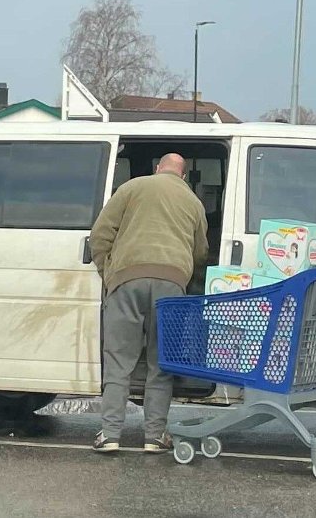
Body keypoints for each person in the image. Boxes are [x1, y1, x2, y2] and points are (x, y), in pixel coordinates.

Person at [89, 153, 208, 453]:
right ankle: (155, 437)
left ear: (158, 169)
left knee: (118, 361)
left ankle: (110, 435)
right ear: (182, 176)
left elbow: (99, 235)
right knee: (160, 364)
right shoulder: (193, 202)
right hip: (171, 284)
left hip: (127, 280)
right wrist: (183, 279)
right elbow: (200, 252)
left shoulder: (131, 188)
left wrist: (110, 273)